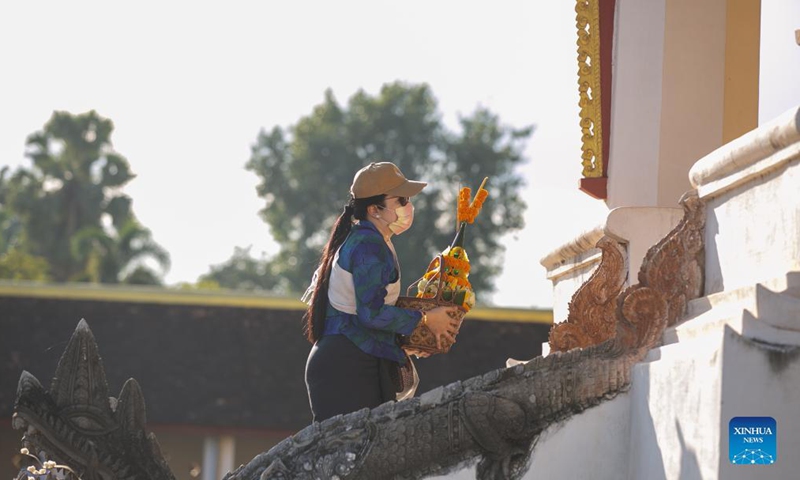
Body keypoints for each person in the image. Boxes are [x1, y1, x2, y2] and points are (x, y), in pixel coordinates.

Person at [302, 161, 460, 422]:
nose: (408, 207)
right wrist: (427, 319)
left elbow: (362, 317)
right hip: (347, 368)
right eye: (401, 199)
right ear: (375, 209)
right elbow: (371, 314)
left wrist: (406, 344)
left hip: (350, 361)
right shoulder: (368, 246)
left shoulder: (371, 240)